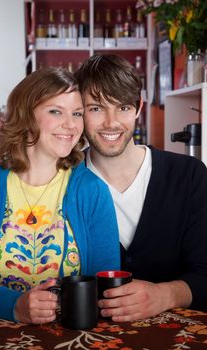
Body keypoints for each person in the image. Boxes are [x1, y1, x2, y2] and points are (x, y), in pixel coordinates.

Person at [0, 67, 120, 334]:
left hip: (72, 337)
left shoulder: (92, 191)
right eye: (55, 111)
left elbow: (104, 283)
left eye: (77, 114)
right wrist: (15, 305)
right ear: (26, 115)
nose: (71, 125)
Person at [75, 53, 207, 322]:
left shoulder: (188, 175)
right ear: (80, 113)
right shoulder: (65, 183)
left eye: (122, 107)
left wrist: (164, 295)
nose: (111, 123)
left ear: (138, 107)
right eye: (96, 108)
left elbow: (205, 272)